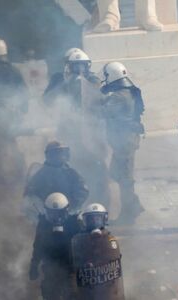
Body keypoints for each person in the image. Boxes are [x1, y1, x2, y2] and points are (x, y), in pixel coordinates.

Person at [44, 49, 111, 209]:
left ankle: (100, 206)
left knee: (96, 169)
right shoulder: (60, 79)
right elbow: (47, 100)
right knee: (74, 170)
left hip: (92, 133)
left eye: (82, 65)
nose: (79, 69)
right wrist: (63, 84)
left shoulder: (94, 80)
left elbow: (100, 100)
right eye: (75, 66)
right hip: (70, 133)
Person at [99, 62, 146, 224]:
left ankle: (129, 212)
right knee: (116, 173)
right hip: (126, 140)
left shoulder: (119, 96)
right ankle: (133, 205)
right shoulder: (127, 91)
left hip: (124, 142)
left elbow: (104, 112)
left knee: (125, 178)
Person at [29, 193, 81, 300]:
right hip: (50, 270)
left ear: (66, 211)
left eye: (60, 213)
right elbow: (38, 246)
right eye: (53, 214)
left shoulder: (74, 224)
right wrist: (34, 265)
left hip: (70, 270)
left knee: (72, 295)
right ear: (47, 212)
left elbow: (83, 245)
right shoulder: (43, 225)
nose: (56, 217)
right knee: (50, 295)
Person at [71, 203, 125, 299]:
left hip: (108, 290)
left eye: (98, 219)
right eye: (91, 220)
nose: (95, 223)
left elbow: (115, 265)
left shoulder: (111, 239)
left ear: (104, 219)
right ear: (85, 221)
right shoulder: (78, 240)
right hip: (88, 291)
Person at [25, 141, 90, 213]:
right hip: (47, 216)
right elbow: (30, 195)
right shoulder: (40, 175)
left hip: (69, 214)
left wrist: (72, 207)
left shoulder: (71, 173)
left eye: (61, 152)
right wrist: (40, 210)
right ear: (50, 155)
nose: (60, 155)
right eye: (57, 153)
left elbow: (82, 191)